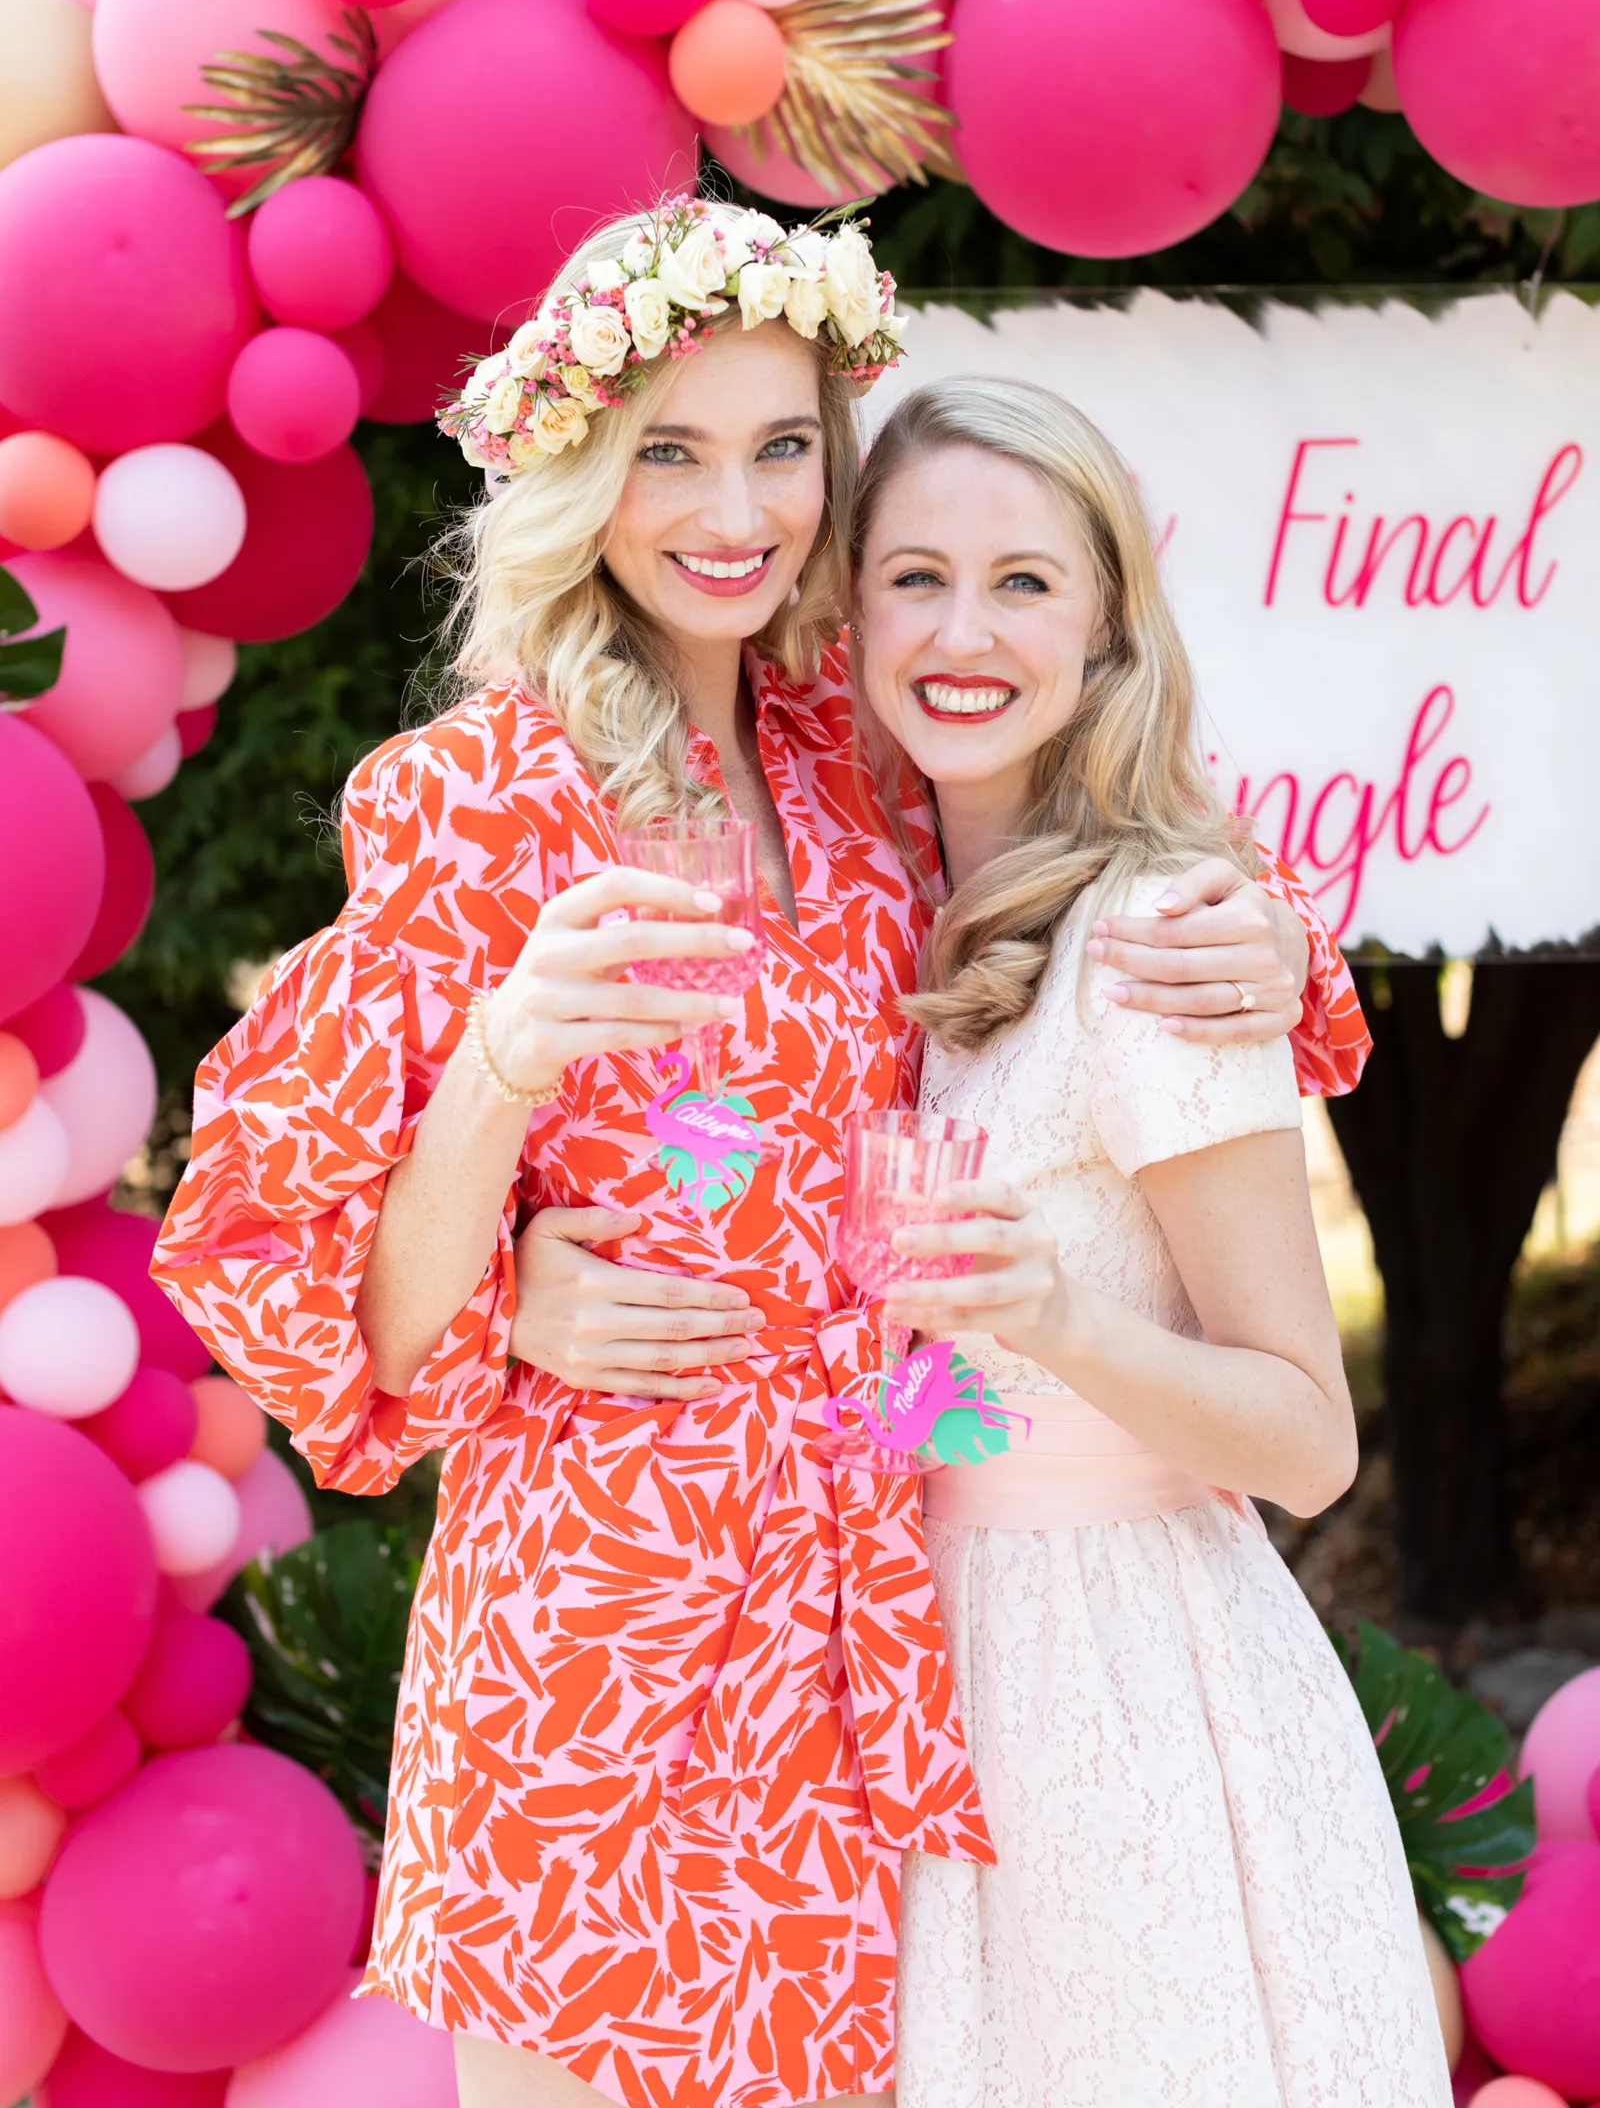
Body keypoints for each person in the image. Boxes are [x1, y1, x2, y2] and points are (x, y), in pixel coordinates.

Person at [151, 202, 1362, 2108]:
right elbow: (343, 1310)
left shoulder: (846, 759)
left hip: (850, 1634)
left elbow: (1077, 837)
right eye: (672, 452)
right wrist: (499, 1095)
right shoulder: (485, 797)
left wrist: (1274, 933)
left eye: (782, 448)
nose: (736, 513)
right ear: (584, 473)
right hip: (594, 1627)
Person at [840, 378, 1448, 2108]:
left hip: (1129, 1690)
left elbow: (1310, 1442)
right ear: (850, 612)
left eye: (1025, 582)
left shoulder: (1164, 939)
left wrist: (1055, 1317)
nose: (965, 632)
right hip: (925, 1678)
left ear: (1108, 627)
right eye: (916, 577)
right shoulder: (894, 917)